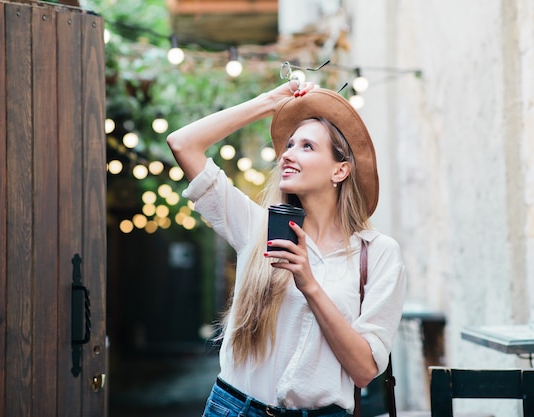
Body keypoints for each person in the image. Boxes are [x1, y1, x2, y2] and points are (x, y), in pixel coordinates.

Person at [167, 79, 407, 417]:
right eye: (289, 145)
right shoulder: (256, 227)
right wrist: (268, 102)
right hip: (235, 408)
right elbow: (183, 143)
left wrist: (309, 285)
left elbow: (365, 370)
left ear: (340, 170)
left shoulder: (378, 253)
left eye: (306, 147)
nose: (287, 155)